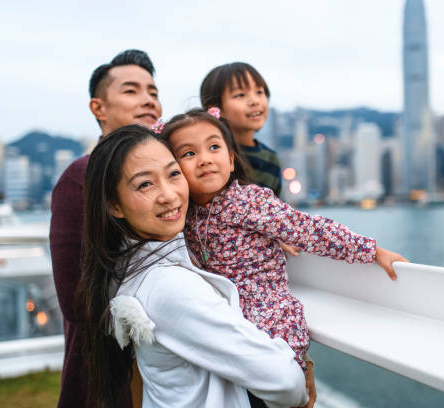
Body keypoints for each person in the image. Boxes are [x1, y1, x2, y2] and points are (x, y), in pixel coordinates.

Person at [161, 108, 409, 403]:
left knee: (283, 386)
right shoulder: (182, 215)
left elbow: (307, 229)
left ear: (230, 161)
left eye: (214, 147)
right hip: (223, 315)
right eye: (188, 154)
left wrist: (371, 250)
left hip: (266, 310)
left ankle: (303, 375)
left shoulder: (250, 200)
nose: (204, 159)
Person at [78, 124, 310, 408]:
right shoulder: (168, 286)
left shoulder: (126, 268)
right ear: (114, 205)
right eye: (145, 184)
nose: (169, 195)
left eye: (174, 174)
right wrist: (300, 379)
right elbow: (286, 382)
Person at [50, 49, 161, 408]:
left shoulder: (169, 175)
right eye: (131, 91)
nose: (148, 100)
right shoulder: (81, 178)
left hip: (168, 368)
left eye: (153, 92)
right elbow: (75, 299)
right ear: (98, 108)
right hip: (107, 374)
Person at [200, 62, 282, 197]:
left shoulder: (271, 159)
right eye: (240, 95)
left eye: (259, 92)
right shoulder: (212, 156)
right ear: (214, 107)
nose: (255, 101)